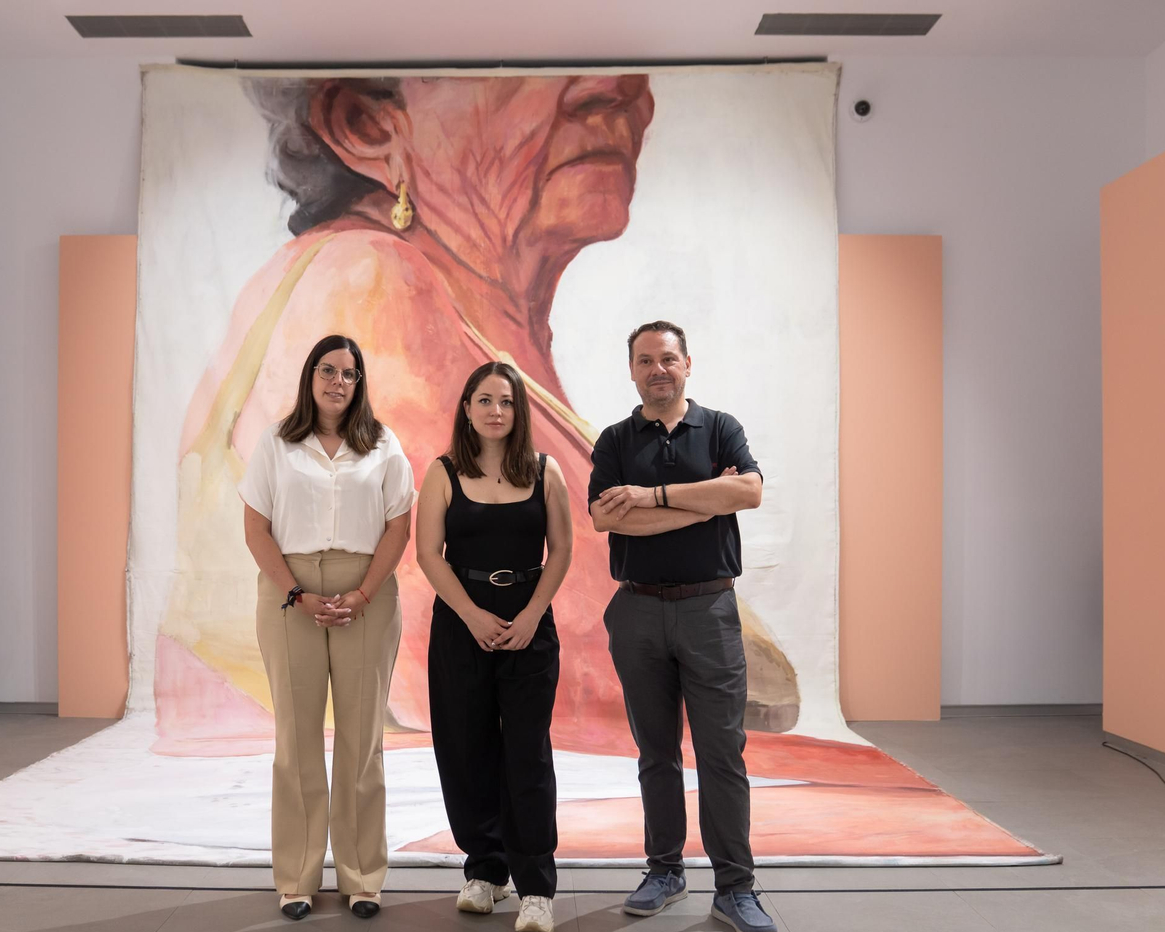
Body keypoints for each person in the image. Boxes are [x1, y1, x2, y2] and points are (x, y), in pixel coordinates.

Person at [155, 73, 796, 760]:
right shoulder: (366, 279)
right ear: (368, 129)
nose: (617, 90)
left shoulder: (475, 328)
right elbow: (603, 678)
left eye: (627, 73)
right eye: (528, 71)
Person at [587, 321, 778, 932]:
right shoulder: (615, 440)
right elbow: (603, 519)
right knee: (656, 752)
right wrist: (704, 500)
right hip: (637, 611)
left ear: (687, 364)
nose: (657, 370)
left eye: (667, 359)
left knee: (722, 752)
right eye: (645, 361)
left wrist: (652, 497)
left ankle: (735, 888)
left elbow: (748, 492)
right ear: (633, 371)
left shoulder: (720, 428)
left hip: (709, 612)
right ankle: (664, 871)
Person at [238, 335, 415, 920]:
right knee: (297, 738)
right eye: (327, 370)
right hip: (290, 593)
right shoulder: (275, 444)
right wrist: (298, 593)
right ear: (310, 377)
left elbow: (398, 526)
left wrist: (362, 593)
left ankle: (363, 876)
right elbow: (257, 528)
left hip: (367, 591)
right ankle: (297, 877)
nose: (338, 381)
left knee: (362, 740)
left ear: (360, 383)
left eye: (349, 372)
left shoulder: (384, 445)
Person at [415, 362, 572, 932]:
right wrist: (472, 614)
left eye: (506, 401)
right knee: (465, 746)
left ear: (519, 410)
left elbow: (560, 551)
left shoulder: (544, 470)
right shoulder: (443, 472)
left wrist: (530, 615)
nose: (495, 411)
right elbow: (429, 553)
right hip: (462, 620)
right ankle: (485, 870)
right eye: (485, 400)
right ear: (467, 407)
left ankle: (535, 887)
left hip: (530, 622)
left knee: (527, 752)